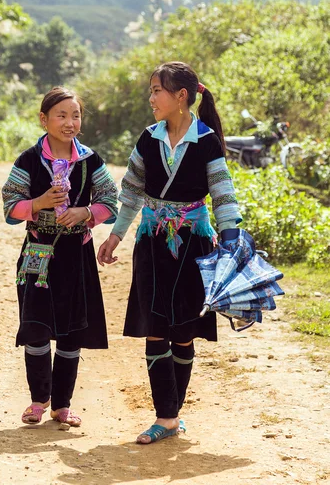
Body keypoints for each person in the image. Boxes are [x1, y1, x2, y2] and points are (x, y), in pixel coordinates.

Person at [97, 61, 242, 444]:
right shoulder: (149, 139)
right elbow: (129, 192)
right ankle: (166, 415)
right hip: (152, 242)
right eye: (151, 90)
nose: (151, 98)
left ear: (181, 96)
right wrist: (115, 237)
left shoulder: (206, 140)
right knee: (155, 327)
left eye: (157, 90)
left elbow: (223, 196)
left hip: (194, 244)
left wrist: (231, 244)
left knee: (183, 331)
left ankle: (171, 416)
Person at [2, 86, 118, 426]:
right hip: (37, 252)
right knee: (36, 325)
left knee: (72, 330)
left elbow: (111, 200)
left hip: (76, 255)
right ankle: (39, 400)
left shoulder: (90, 160)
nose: (70, 122)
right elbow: (10, 204)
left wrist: (85, 212)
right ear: (44, 119)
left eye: (76, 115)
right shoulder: (28, 160)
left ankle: (61, 405)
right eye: (61, 115)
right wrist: (37, 204)